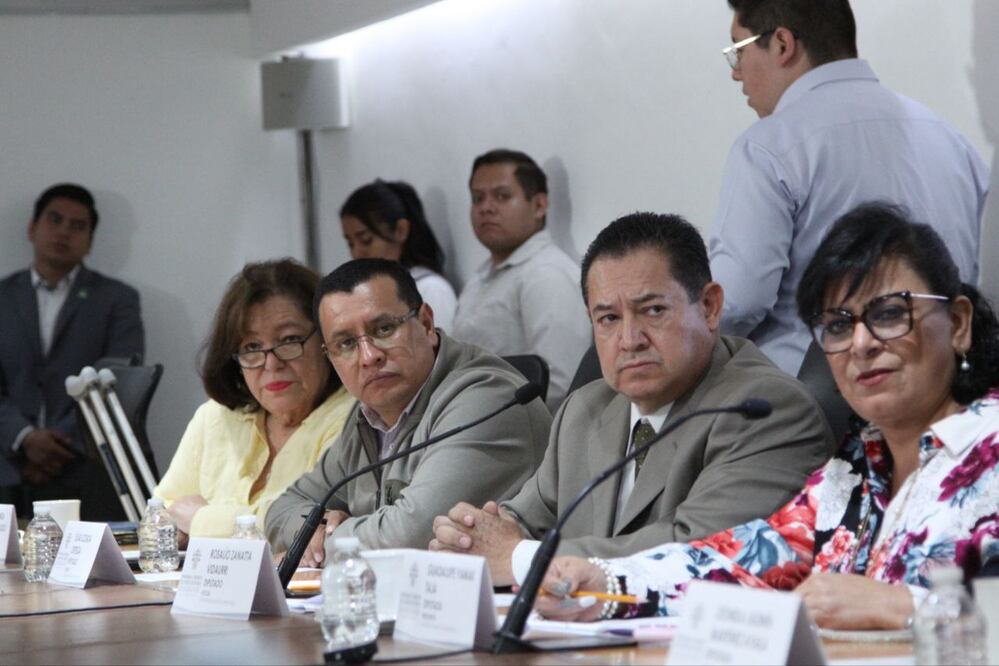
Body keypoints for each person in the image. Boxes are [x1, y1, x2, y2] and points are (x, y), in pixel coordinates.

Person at [536, 204, 999, 630]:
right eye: (838, 325)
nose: (861, 344)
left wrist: (902, 607)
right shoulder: (849, 476)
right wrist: (602, 583)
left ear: (957, 324)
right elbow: (736, 562)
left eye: (891, 314)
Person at [430, 212, 833, 586]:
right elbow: (519, 522)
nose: (629, 340)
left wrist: (518, 558)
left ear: (709, 307)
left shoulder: (766, 409)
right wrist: (469, 537)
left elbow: (697, 552)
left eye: (653, 311)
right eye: (608, 319)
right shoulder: (585, 409)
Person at [710, 0, 989, 376]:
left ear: (781, 44)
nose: (735, 74)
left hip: (819, 408)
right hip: (946, 387)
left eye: (738, 51)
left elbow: (736, 304)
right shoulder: (951, 140)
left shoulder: (769, 146)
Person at [264, 258, 551, 564]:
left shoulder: (488, 397)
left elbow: (408, 538)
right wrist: (317, 526)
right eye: (346, 343)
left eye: (384, 329)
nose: (369, 356)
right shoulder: (368, 413)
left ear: (426, 323)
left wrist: (322, 541)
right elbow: (282, 509)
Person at [154, 259, 354, 540]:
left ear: (326, 340)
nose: (271, 364)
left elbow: (305, 526)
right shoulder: (215, 417)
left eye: (288, 340)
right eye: (251, 347)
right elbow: (158, 515)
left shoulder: (355, 417)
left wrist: (201, 521)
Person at [0, 183, 144, 519]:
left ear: (90, 241)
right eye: (55, 219)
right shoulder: (2, 298)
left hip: (83, 462)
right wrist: (24, 438)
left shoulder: (117, 300)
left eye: (78, 226)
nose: (64, 231)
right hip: (6, 458)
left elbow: (117, 381)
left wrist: (55, 445)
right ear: (32, 228)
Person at [452, 149, 590, 409]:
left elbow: (560, 385)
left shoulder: (547, 275)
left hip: (517, 437)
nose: (486, 208)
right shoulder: (481, 277)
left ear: (539, 205)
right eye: (477, 198)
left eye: (502, 196)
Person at [340, 179, 457, 331]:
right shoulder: (371, 292)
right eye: (350, 244)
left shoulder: (431, 289)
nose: (356, 253)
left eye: (366, 240)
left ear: (401, 231)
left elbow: (442, 351)